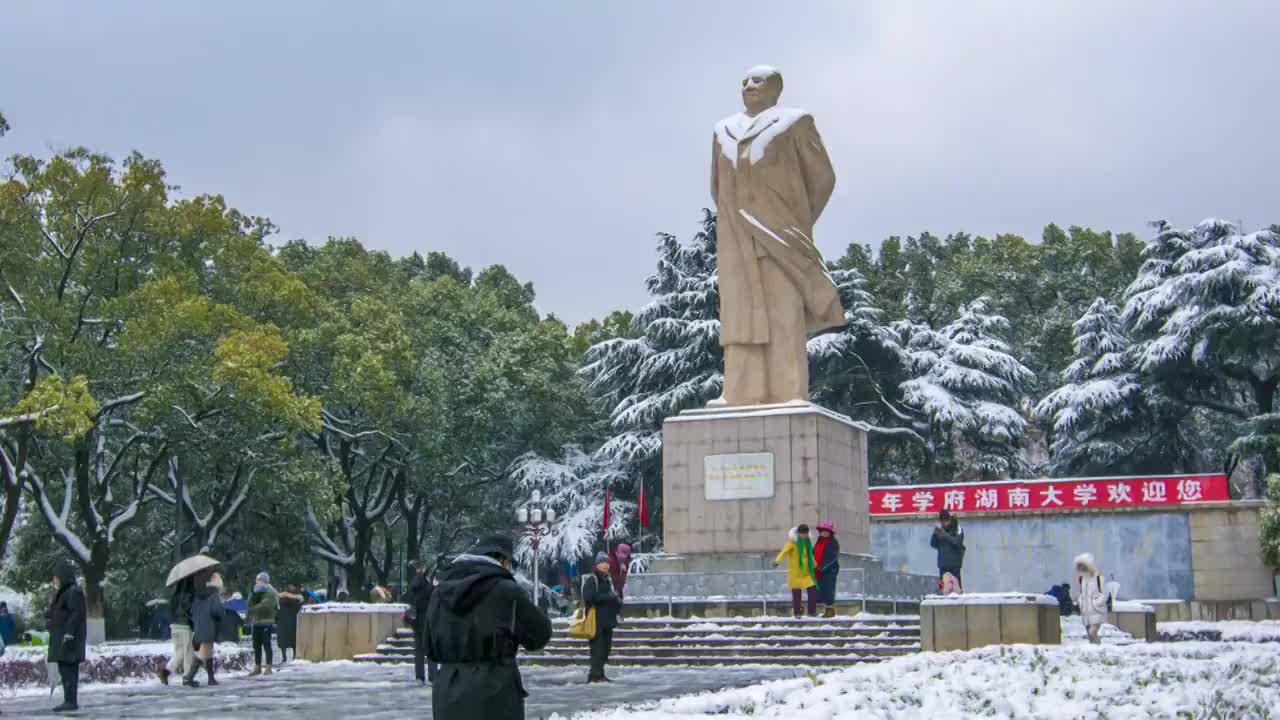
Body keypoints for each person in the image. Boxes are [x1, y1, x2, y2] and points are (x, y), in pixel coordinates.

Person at [426, 533, 552, 720]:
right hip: (495, 689)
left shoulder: (440, 592)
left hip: (447, 689)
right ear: (502, 561)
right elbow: (539, 635)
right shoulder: (507, 590)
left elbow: (429, 645)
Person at [46, 562, 86, 713]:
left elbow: (77, 613)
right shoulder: (64, 593)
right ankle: (69, 700)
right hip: (63, 638)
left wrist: (69, 632)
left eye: (56, 578)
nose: (54, 581)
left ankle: (70, 701)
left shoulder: (73, 592)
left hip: (69, 639)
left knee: (69, 670)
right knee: (65, 669)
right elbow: (61, 613)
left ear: (63, 576)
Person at [582, 552, 622, 684]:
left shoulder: (607, 580)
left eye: (607, 565)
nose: (605, 567)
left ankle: (599, 673)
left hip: (607, 621)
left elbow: (610, 597)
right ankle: (595, 676)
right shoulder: (592, 579)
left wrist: (617, 601)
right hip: (596, 621)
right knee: (598, 649)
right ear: (597, 565)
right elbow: (589, 597)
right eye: (602, 565)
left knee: (605, 648)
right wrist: (608, 598)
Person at [187, 572, 225, 687]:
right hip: (209, 626)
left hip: (199, 626)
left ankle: (210, 678)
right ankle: (190, 677)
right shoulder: (214, 595)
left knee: (206, 654)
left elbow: (192, 611)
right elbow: (217, 611)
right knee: (204, 654)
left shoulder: (197, 595)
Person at [775, 525, 818, 618]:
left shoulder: (808, 542)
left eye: (806, 534)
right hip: (795, 573)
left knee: (812, 591)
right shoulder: (791, 543)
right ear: (798, 533)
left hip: (806, 573)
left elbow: (810, 555)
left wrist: (815, 565)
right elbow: (784, 552)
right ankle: (797, 613)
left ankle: (812, 611)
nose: (804, 536)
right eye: (802, 534)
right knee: (797, 594)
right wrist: (777, 561)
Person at [159, 577, 196, 685]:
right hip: (185, 625)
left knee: (179, 652)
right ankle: (187, 677)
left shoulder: (174, 595)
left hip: (174, 626)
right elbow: (190, 610)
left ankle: (165, 672)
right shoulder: (189, 595)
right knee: (188, 652)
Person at [406, 562, 436, 685]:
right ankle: (429, 677)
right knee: (426, 650)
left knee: (423, 650)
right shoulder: (422, 585)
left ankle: (423, 677)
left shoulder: (420, 584)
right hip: (423, 620)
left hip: (424, 621)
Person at [248, 572, 279, 676]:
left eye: (258, 580)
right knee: (256, 645)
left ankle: (269, 667)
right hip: (256, 621)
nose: (256, 582)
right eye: (256, 580)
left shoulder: (271, 591)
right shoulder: (256, 591)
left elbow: (266, 605)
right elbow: (250, 603)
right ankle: (257, 667)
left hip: (266, 621)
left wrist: (254, 607)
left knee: (266, 644)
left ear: (264, 581)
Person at [1075, 554, 1110, 645]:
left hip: (1097, 610)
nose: (1081, 568)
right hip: (1086, 611)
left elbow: (1105, 593)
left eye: (1083, 565)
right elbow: (1082, 593)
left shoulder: (1098, 577)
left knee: (1092, 632)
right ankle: (1098, 649)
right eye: (1079, 566)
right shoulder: (1082, 578)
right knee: (1090, 635)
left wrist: (1097, 602)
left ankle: (1097, 649)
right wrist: (1081, 602)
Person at [930, 510, 965, 589]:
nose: (944, 523)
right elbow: (933, 544)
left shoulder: (957, 528)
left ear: (950, 519)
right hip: (943, 565)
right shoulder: (940, 529)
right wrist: (935, 534)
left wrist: (944, 534)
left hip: (954, 565)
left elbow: (957, 542)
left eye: (946, 521)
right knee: (943, 588)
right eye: (942, 521)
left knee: (957, 588)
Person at [813, 522, 840, 618]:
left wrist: (823, 566)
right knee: (820, 591)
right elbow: (813, 553)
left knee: (829, 590)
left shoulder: (833, 543)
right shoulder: (819, 541)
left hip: (829, 570)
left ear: (830, 533)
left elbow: (833, 557)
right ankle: (823, 610)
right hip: (818, 570)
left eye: (826, 531)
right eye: (822, 531)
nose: (823, 533)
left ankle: (830, 610)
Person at [276, 584, 303, 663]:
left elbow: (276, 611)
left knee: (282, 641)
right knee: (293, 640)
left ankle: (284, 657)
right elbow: (298, 610)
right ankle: (294, 655)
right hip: (293, 622)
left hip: (282, 622)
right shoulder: (296, 600)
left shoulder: (279, 600)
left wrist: (276, 620)